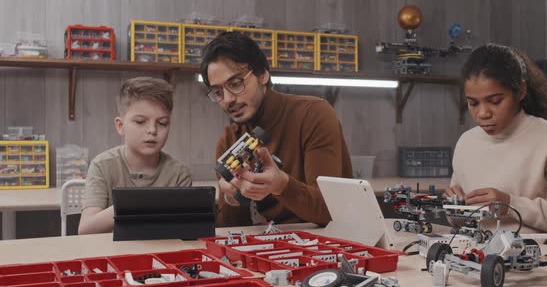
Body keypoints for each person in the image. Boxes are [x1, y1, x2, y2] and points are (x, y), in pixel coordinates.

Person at [199, 31, 352, 227]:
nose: (228, 99)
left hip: (332, 241)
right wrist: (231, 198)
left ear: (262, 74)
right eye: (218, 92)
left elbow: (331, 212)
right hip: (278, 244)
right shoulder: (229, 141)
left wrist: (282, 185)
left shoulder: (314, 114)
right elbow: (233, 231)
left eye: (236, 84)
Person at [444, 43, 547, 246]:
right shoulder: (466, 142)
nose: (483, 113)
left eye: (495, 101)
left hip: (542, 269)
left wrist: (512, 205)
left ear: (521, 91)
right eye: (473, 103)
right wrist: (454, 205)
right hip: (479, 261)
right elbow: (459, 221)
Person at [78, 77, 192, 234]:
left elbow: (185, 231)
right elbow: (86, 229)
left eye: (163, 123)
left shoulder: (180, 174)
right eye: (140, 121)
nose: (152, 130)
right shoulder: (102, 165)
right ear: (120, 126)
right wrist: (138, 202)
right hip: (113, 254)